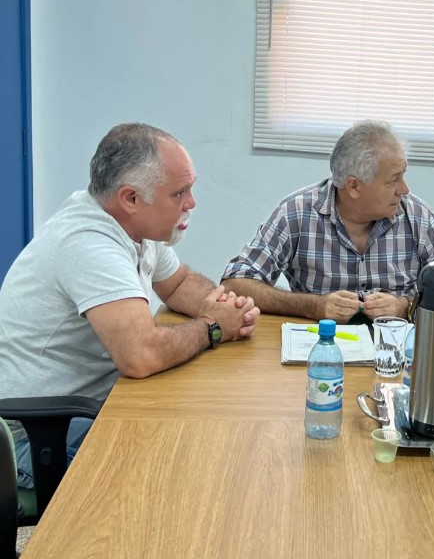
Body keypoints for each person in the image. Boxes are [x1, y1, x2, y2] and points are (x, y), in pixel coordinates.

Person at [0, 123, 260, 489]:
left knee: (201, 429)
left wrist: (225, 307)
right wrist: (213, 327)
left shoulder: (135, 228)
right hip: (35, 437)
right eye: (180, 192)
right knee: (180, 476)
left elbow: (180, 283)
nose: (191, 203)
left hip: (90, 407)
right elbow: (141, 356)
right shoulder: (89, 243)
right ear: (131, 198)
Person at [221, 120, 434, 322]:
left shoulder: (417, 217)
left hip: (396, 357)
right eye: (393, 180)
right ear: (354, 186)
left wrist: (406, 306)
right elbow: (235, 283)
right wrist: (313, 306)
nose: (404, 189)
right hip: (319, 353)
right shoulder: (297, 213)